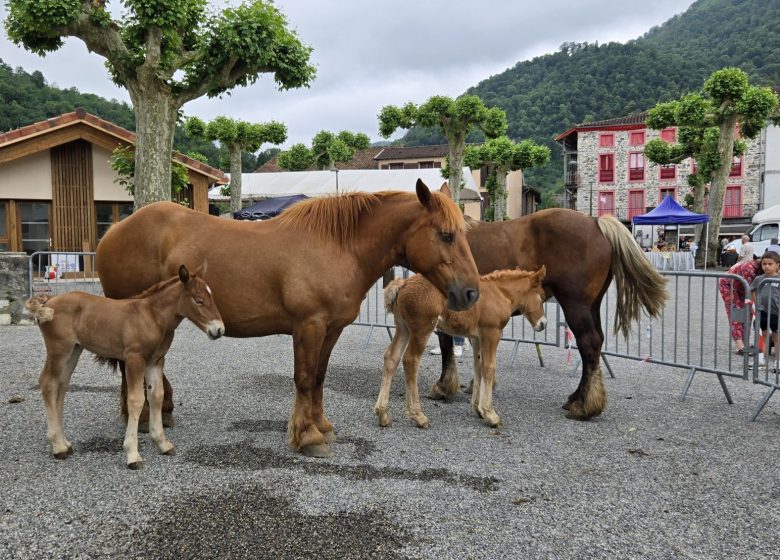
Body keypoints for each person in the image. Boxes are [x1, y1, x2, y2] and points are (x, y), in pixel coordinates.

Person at [719, 257, 762, 354]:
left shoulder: (762, 267)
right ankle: (739, 345)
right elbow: (752, 290)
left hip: (742, 288)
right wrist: (758, 305)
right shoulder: (749, 267)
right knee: (736, 312)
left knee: (748, 313)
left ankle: (745, 342)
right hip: (728, 285)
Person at [750, 251, 780, 368]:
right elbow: (752, 290)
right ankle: (761, 361)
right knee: (764, 335)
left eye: (770, 264)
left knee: (776, 337)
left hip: (776, 313)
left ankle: (778, 363)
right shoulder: (759, 278)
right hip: (762, 312)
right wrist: (756, 302)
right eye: (764, 264)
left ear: (777, 265)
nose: (766, 266)